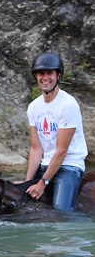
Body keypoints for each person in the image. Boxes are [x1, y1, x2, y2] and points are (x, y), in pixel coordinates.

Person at [23, 52, 87, 211]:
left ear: (58, 75)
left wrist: (42, 183)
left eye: (49, 73)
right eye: (40, 73)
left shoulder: (68, 104)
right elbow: (36, 149)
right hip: (45, 165)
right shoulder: (33, 107)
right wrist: (28, 180)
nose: (45, 77)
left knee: (61, 214)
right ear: (36, 76)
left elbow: (61, 151)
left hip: (68, 166)